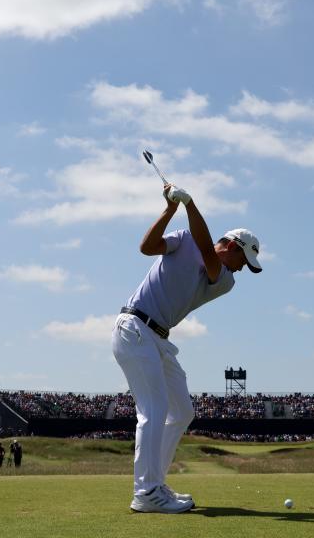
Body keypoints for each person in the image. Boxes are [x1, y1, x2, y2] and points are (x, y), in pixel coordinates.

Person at [112, 182, 262, 513]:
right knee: (153, 409)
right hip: (135, 327)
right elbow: (147, 247)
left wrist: (190, 203)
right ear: (234, 246)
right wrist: (169, 209)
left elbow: (209, 255)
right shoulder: (183, 237)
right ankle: (146, 492)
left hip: (159, 339)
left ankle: (156, 485)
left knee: (182, 411)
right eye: (244, 260)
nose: (242, 269)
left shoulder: (225, 279)